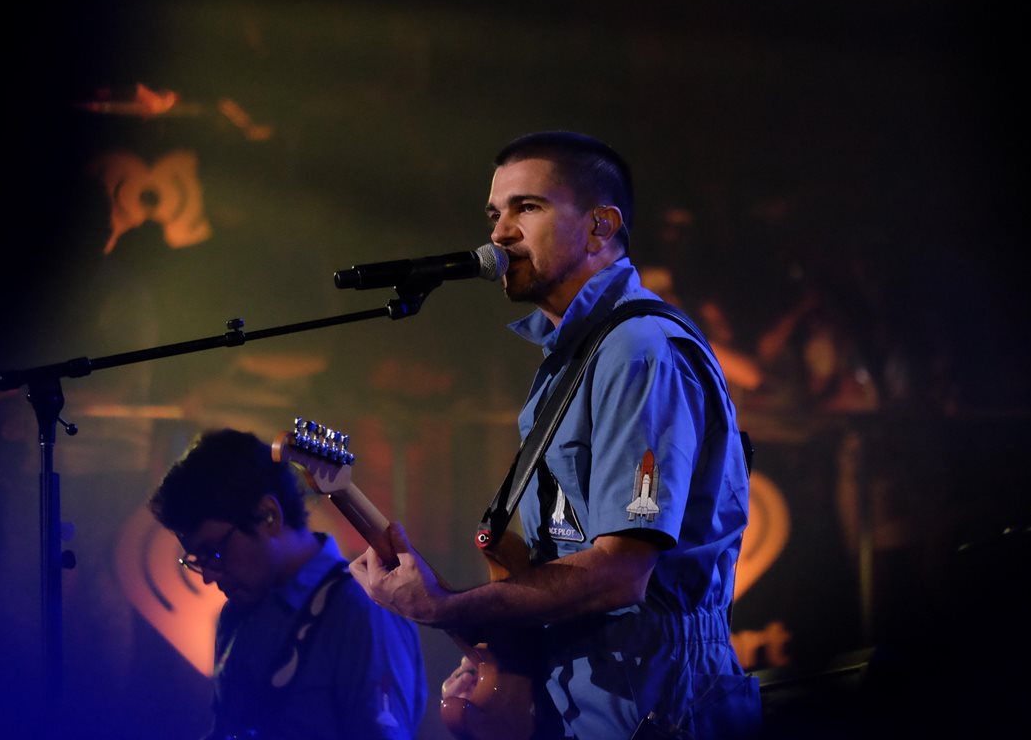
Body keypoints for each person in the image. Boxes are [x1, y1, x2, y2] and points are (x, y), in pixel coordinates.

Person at [349, 131, 761, 739]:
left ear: (600, 226)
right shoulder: (575, 355)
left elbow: (622, 573)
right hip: (594, 697)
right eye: (496, 213)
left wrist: (443, 608)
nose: (499, 233)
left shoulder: (636, 349)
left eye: (528, 207)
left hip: (658, 699)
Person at [148, 428, 427, 740]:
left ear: (269, 516)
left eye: (214, 551)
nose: (208, 576)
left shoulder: (363, 610)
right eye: (196, 559)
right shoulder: (236, 615)